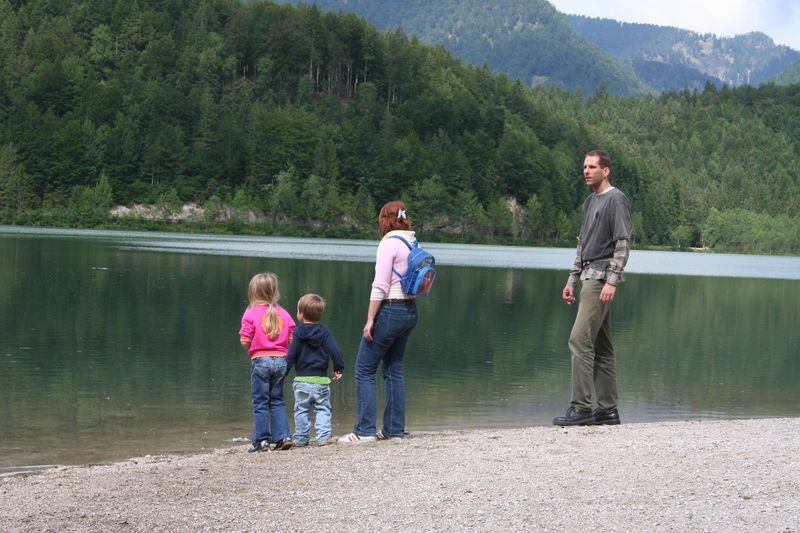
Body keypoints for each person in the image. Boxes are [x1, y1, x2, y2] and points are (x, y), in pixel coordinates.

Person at [554, 150, 631, 427]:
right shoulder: (589, 202)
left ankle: (582, 407)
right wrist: (571, 279)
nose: (586, 171)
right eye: (584, 167)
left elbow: (622, 243)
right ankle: (608, 410)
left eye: (592, 167)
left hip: (600, 279)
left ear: (606, 170)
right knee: (602, 345)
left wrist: (612, 280)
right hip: (587, 276)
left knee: (579, 340)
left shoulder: (616, 200)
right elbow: (581, 245)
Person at [338, 201, 420, 443]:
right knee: (394, 368)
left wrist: (370, 319)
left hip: (391, 310)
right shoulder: (413, 242)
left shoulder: (389, 243)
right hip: (410, 310)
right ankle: (394, 430)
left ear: (385, 220)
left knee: (364, 369)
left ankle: (364, 431)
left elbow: (380, 285)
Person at [239, 272, 296, 451]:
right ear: (274, 292)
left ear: (253, 292)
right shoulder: (284, 313)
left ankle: (262, 440)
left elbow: (244, 340)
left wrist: (252, 351)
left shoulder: (250, 313)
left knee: (260, 401)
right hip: (281, 361)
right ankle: (283, 436)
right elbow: (292, 338)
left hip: (260, 361)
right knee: (277, 400)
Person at [285, 294, 345, 447]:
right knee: (323, 408)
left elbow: (291, 354)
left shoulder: (298, 332)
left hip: (302, 381)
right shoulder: (324, 331)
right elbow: (335, 351)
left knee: (301, 410)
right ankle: (323, 437)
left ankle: (301, 439)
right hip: (321, 382)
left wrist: (284, 373)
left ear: (301, 313)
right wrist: (338, 367)